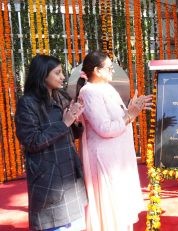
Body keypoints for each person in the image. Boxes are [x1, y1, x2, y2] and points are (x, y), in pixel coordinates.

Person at [75, 51, 152, 231]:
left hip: (118, 157)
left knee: (120, 207)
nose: (112, 72)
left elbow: (122, 118)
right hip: (105, 159)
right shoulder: (89, 92)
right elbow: (105, 128)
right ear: (97, 71)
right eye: (109, 68)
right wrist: (130, 115)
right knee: (111, 211)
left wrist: (132, 111)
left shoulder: (107, 88)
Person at [15, 55, 87, 231]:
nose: (62, 77)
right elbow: (32, 141)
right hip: (49, 180)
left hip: (69, 174)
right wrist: (64, 123)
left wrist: (75, 121)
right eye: (58, 73)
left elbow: (71, 133)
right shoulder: (27, 104)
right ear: (42, 75)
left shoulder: (60, 96)